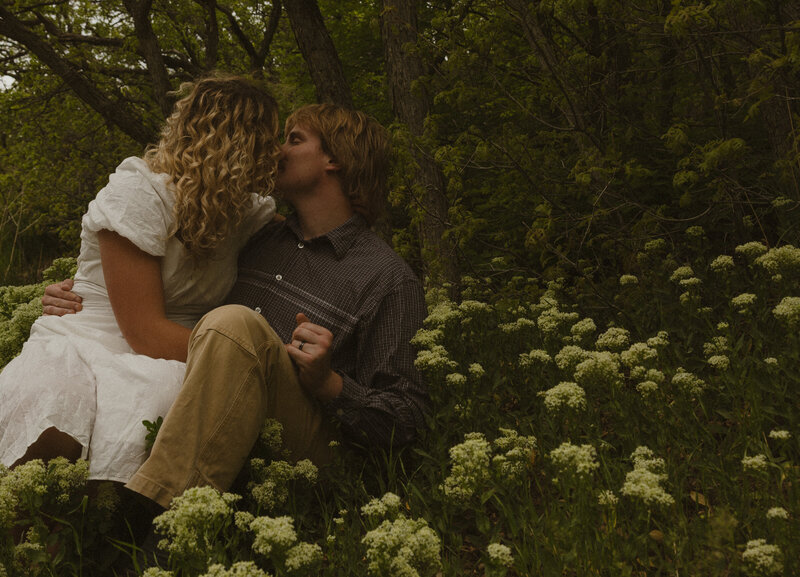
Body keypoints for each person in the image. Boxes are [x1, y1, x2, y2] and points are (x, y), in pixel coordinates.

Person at [42, 103, 430, 510]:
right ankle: (94, 519)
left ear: (335, 159)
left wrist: (329, 383)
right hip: (217, 415)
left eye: (294, 140)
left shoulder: (387, 278)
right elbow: (179, 276)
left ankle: (161, 527)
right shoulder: (255, 235)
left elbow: (409, 416)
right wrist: (87, 291)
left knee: (234, 323)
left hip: (308, 446)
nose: (277, 151)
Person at [0, 75, 282, 485]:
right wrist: (243, 357)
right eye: (269, 139)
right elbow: (144, 334)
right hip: (93, 339)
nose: (276, 153)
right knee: (57, 408)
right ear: (238, 143)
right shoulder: (140, 193)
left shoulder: (247, 213)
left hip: (173, 349)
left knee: (156, 400)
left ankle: (118, 531)